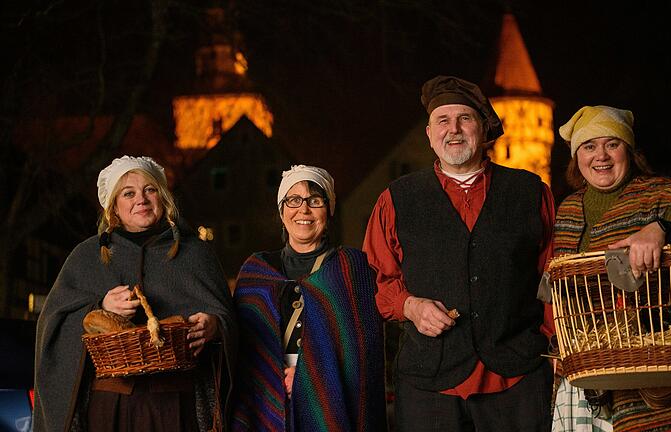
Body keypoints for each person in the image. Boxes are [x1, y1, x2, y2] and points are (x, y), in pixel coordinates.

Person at [363, 75, 556, 431]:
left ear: (483, 129)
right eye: (443, 120)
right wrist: (410, 305)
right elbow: (377, 279)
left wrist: (547, 344)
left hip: (517, 379)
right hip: (428, 384)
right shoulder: (396, 199)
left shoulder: (531, 192)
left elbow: (554, 276)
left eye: (465, 119)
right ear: (429, 134)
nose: (454, 129)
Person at [550, 105, 671, 432]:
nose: (600, 155)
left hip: (657, 370)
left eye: (612, 144)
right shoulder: (569, 211)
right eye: (589, 146)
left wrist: (661, 230)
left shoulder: (662, 192)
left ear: (629, 151)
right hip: (588, 380)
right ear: (577, 157)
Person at [33, 155, 237, 431]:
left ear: (163, 198)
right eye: (128, 193)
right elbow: (52, 325)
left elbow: (230, 318)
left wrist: (215, 326)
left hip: (176, 405)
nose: (140, 199)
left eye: (150, 190)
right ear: (114, 207)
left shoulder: (195, 254)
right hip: (108, 406)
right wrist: (99, 306)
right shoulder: (86, 256)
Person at [230, 165, 387, 431]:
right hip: (268, 402)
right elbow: (243, 350)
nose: (303, 210)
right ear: (282, 211)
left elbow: (363, 354)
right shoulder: (256, 273)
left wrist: (306, 377)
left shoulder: (352, 269)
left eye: (315, 200)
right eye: (293, 200)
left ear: (329, 210)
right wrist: (274, 378)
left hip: (332, 405)